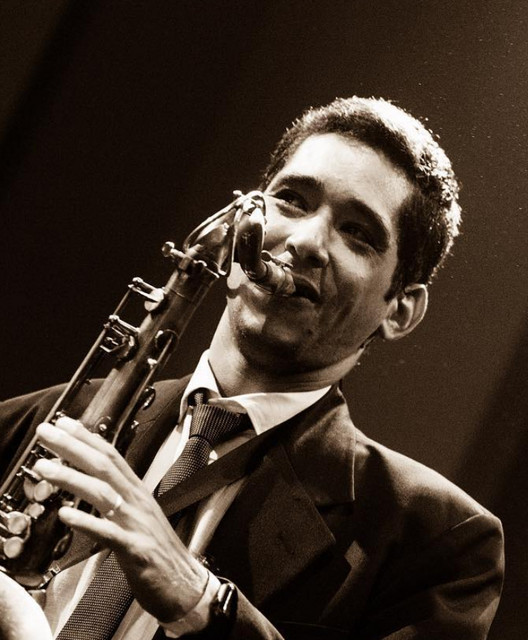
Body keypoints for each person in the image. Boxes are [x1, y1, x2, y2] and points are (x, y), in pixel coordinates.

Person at [0, 97, 503, 639]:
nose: (305, 242)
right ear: (245, 224)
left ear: (400, 309)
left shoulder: (439, 542)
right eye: (292, 200)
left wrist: (203, 603)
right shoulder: (36, 422)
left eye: (357, 232)